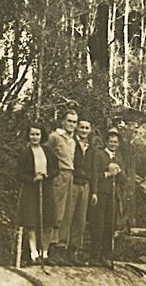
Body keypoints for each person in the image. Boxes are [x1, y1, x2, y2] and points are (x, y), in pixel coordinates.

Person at [16, 126, 58, 265]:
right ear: (28, 136)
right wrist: (32, 179)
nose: (34, 137)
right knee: (31, 222)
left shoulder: (48, 151)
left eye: (37, 134)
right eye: (32, 134)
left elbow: (55, 169)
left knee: (48, 221)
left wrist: (47, 175)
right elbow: (19, 174)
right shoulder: (25, 153)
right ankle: (34, 254)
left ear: (42, 135)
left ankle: (44, 253)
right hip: (31, 189)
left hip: (46, 188)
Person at [89, 130, 125, 268]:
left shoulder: (118, 159)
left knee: (109, 226)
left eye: (116, 142)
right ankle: (95, 256)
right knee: (98, 224)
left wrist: (119, 171)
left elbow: (124, 180)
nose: (113, 144)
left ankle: (105, 255)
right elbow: (94, 176)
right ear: (106, 142)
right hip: (100, 194)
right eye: (111, 141)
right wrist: (107, 174)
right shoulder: (99, 155)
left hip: (112, 196)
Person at [45, 109, 78, 263]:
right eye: (69, 121)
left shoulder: (73, 140)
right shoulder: (55, 137)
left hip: (70, 175)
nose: (71, 124)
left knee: (67, 213)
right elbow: (45, 152)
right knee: (56, 212)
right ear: (63, 121)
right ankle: (49, 249)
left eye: (74, 122)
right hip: (59, 176)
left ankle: (60, 249)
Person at [66, 119, 94, 264]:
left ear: (90, 130)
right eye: (81, 127)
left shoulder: (91, 148)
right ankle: (61, 251)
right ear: (77, 128)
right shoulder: (71, 144)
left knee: (80, 219)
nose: (83, 130)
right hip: (73, 183)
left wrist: (93, 191)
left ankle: (74, 252)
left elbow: (93, 170)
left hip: (85, 185)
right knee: (67, 216)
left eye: (86, 128)